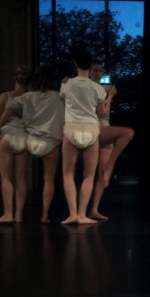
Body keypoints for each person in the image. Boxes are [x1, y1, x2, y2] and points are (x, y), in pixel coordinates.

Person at [0, 67, 65, 224]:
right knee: (48, 179)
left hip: (31, 141)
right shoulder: (59, 97)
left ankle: (10, 213)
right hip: (50, 142)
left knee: (11, 176)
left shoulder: (26, 97)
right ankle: (44, 215)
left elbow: (4, 116)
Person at [59, 51, 107, 225]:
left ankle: (72, 214)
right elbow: (102, 113)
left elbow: (64, 100)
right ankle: (82, 215)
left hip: (71, 127)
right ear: (90, 67)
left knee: (68, 173)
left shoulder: (67, 84)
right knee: (89, 175)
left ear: (76, 65)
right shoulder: (98, 88)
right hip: (91, 128)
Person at [88, 60, 135, 220]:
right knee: (127, 133)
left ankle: (94, 209)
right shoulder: (90, 89)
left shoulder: (101, 89)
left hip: (104, 128)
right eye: (95, 71)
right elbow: (101, 113)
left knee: (102, 174)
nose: (99, 74)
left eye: (100, 71)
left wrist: (109, 96)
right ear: (89, 72)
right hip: (95, 129)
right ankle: (111, 165)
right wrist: (108, 96)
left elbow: (105, 115)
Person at [0, 64, 31, 225]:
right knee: (20, 178)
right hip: (23, 138)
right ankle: (19, 215)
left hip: (6, 137)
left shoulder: (5, 96)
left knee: (6, 178)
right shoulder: (31, 97)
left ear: (14, 77)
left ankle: (8, 214)